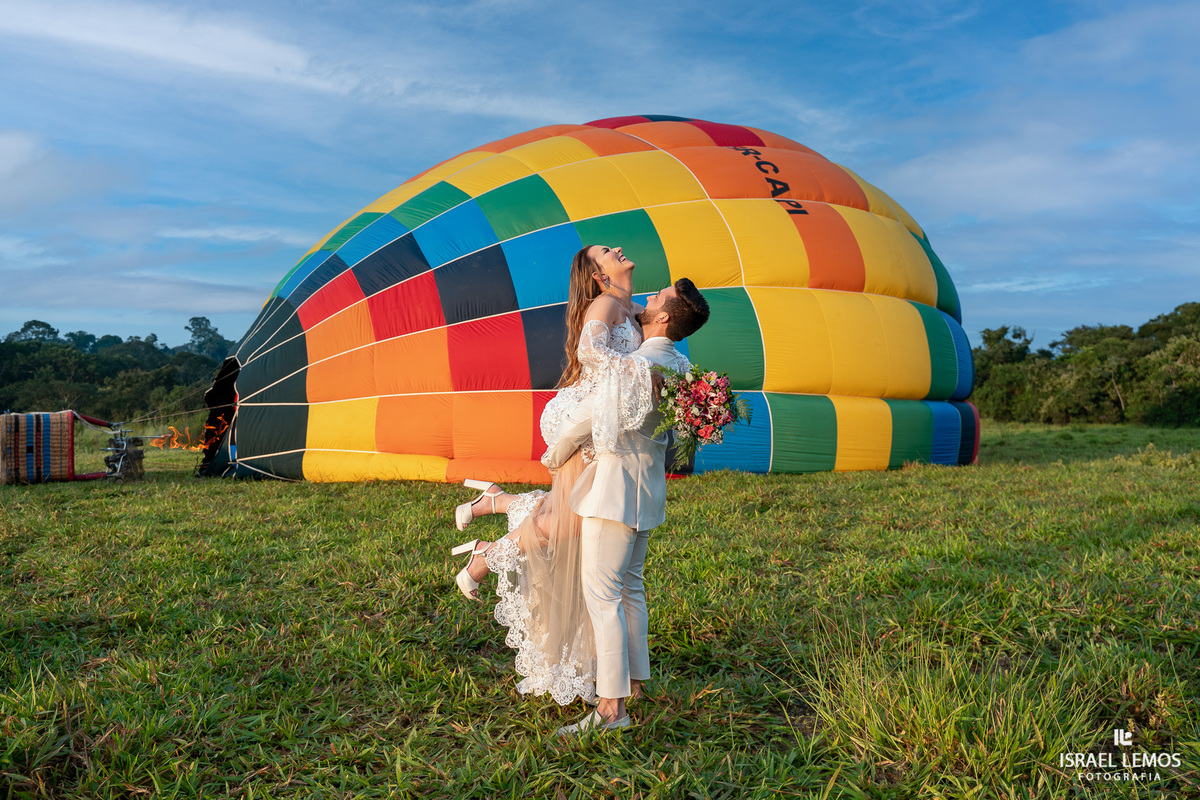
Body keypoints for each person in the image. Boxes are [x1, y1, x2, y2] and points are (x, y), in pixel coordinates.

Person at [449, 250, 710, 732]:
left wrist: (560, 449)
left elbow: (594, 409)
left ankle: (611, 711)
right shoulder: (679, 366)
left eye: (659, 298)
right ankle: (634, 685)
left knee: (603, 597)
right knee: (630, 589)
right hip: (648, 492)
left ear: (663, 318)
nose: (651, 297)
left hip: (613, 490)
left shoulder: (636, 368)